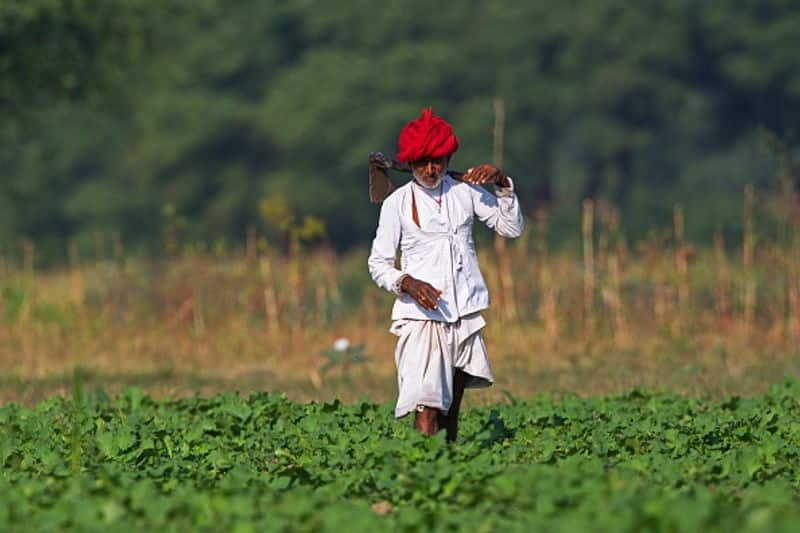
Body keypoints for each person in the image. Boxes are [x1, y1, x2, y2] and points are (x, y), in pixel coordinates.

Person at [368, 107, 524, 442]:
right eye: (422, 162)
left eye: (437, 161)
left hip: (462, 312)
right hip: (420, 315)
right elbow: (378, 263)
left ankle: (448, 473)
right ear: (409, 163)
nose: (430, 169)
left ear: (447, 156)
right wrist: (407, 283)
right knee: (427, 407)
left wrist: (501, 183)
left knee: (450, 410)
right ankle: (423, 476)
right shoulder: (396, 203)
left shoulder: (464, 191)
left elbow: (510, 228)